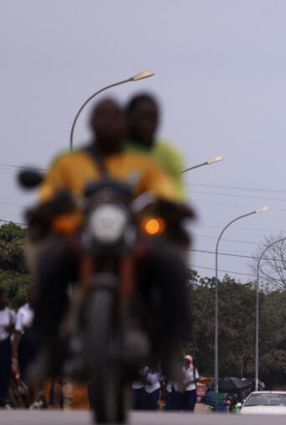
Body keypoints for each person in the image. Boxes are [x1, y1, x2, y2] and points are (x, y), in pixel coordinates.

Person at [25, 98, 192, 383]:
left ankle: (168, 349)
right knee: (50, 264)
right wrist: (45, 208)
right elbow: (47, 195)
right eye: (101, 117)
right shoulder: (68, 162)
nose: (108, 123)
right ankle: (49, 349)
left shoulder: (144, 163)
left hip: (131, 239)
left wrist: (172, 206)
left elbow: (164, 192)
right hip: (81, 238)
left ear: (124, 124)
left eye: (115, 118)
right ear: (91, 123)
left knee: (173, 264)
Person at [125, 93, 186, 201]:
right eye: (142, 118)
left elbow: (177, 196)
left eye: (153, 118)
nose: (147, 124)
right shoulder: (115, 150)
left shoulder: (169, 154)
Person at [0, 289, 16, 408]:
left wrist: (9, 329)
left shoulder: (11, 314)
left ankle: (2, 398)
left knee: (5, 371)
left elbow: (16, 329)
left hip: (5, 344)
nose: (7, 300)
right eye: (5, 297)